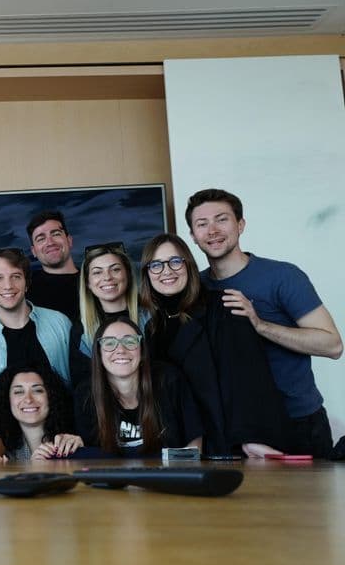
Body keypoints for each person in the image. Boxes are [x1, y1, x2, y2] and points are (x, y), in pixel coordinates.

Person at [187, 188, 343, 458]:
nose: (212, 230)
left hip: (297, 422)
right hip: (234, 428)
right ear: (193, 235)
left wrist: (261, 325)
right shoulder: (194, 288)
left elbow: (332, 345)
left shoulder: (282, 276)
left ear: (240, 224)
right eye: (202, 224)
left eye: (221, 219)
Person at [140, 233, 287, 456]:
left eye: (175, 261)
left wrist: (249, 438)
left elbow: (246, 377)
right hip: (177, 448)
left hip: (225, 443)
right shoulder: (152, 328)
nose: (167, 271)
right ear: (147, 274)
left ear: (189, 266)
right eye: (156, 265)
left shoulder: (223, 305)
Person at [0, 248, 72, 431]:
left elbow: (80, 384)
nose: (8, 285)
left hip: (66, 436)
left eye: (16, 276)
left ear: (26, 283)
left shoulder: (60, 323)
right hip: (11, 446)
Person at [74, 317, 203, 457]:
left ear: (142, 351)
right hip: (112, 478)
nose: (121, 350)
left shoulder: (169, 380)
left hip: (167, 476)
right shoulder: (86, 394)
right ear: (99, 354)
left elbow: (195, 448)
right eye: (109, 343)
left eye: (130, 342)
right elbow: (90, 460)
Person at [0, 364, 82, 461]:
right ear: (7, 400)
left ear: (51, 397)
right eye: (19, 392)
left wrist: (82, 452)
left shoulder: (68, 443)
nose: (28, 399)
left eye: (37, 390)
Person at [77, 242, 140, 355]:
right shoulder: (81, 332)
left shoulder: (151, 319)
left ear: (128, 275)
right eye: (97, 272)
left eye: (115, 269)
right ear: (88, 283)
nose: (107, 277)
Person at [26, 210, 81, 324]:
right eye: (41, 239)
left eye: (56, 234)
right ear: (33, 251)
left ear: (69, 241)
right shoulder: (25, 288)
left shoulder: (96, 281)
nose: (50, 242)